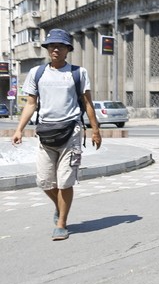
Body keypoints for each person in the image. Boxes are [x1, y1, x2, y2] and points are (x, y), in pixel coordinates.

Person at [12, 29, 102, 241]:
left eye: (60, 46)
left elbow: (87, 103)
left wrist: (96, 130)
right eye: (51, 46)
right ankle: (58, 206)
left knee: (65, 182)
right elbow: (31, 104)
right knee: (44, 181)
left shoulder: (78, 73)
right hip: (45, 132)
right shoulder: (37, 73)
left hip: (71, 132)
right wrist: (19, 129)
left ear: (67, 50)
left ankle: (62, 222)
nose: (55, 49)